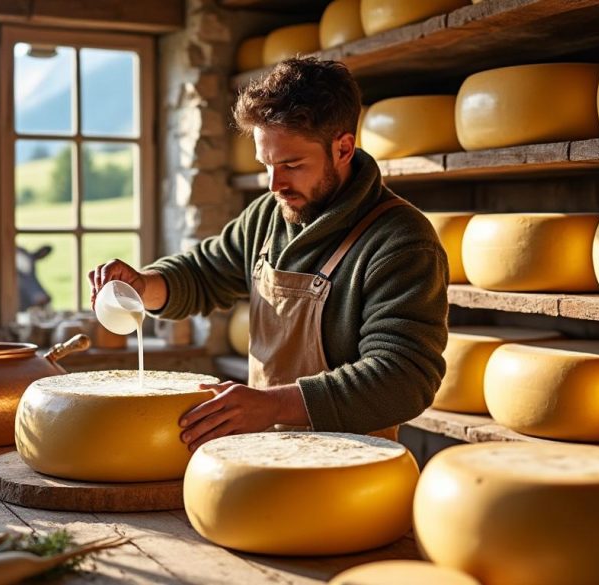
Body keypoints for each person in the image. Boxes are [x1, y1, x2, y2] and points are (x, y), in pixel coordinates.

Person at [89, 57, 448, 451]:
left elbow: (402, 379)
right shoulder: (268, 214)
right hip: (264, 454)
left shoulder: (400, 240)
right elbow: (204, 272)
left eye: (292, 165)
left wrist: (272, 405)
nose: (275, 184)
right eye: (267, 165)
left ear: (343, 149)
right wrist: (145, 285)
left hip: (352, 466)